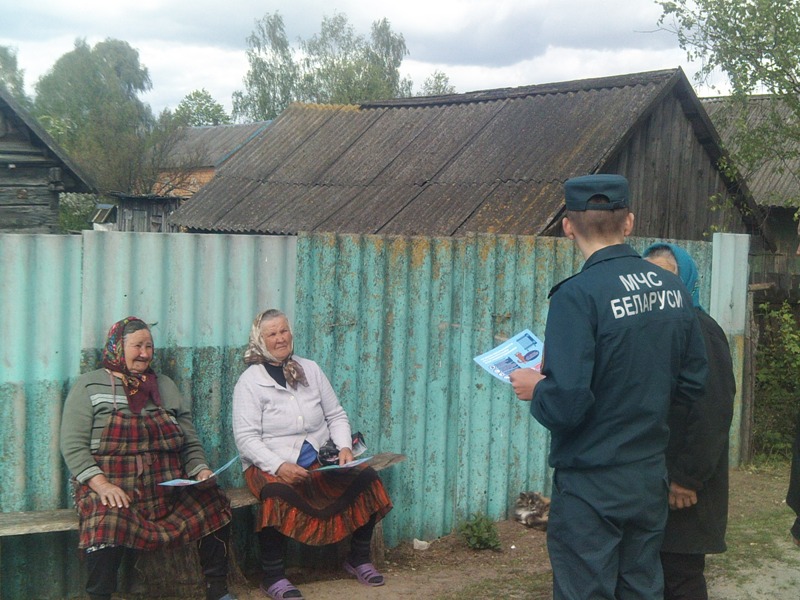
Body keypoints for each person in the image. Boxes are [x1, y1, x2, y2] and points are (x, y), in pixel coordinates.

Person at [509, 174, 708, 600]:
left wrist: (536, 388)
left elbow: (567, 405)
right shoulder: (674, 288)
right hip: (648, 474)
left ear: (568, 226)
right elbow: (694, 383)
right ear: (629, 222)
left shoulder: (576, 296)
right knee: (641, 586)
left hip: (591, 482)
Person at [60, 316, 234, 600]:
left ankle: (217, 590)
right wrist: (102, 485)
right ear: (117, 347)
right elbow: (73, 446)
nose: (144, 353)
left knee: (212, 500)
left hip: (166, 488)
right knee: (106, 522)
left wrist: (200, 470)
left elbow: (188, 439)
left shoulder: (164, 386)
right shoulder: (89, 386)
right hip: (114, 486)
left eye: (149, 346)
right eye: (137, 346)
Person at [232, 309, 393, 600]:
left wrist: (344, 447)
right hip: (268, 461)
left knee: (366, 478)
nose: (280, 338)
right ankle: (273, 576)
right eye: (272, 334)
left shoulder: (310, 369)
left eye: (284, 331)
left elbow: (336, 415)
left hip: (319, 461)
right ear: (259, 339)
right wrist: (278, 465)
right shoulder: (250, 382)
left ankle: (358, 558)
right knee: (276, 493)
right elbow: (246, 439)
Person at [643, 243, 736, 600]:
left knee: (680, 575)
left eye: (666, 275)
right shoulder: (649, 329)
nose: (657, 284)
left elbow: (712, 411)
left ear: (688, 282)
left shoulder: (701, 329)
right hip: (652, 477)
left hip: (683, 484)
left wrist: (687, 478)